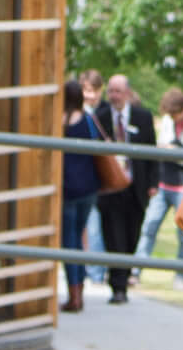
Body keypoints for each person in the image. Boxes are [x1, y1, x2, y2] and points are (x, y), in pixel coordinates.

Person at [94, 74, 156, 306]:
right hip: (110, 189)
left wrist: (153, 183)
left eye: (118, 91)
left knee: (131, 237)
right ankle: (118, 287)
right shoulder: (100, 119)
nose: (114, 96)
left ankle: (124, 275)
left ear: (128, 93)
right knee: (113, 237)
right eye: (111, 91)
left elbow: (152, 152)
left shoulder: (143, 117)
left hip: (136, 188)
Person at [138, 87, 183, 288]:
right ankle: (136, 269)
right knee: (149, 227)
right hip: (163, 183)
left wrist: (175, 151)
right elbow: (162, 145)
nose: (172, 118)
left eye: (174, 114)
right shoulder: (169, 120)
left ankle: (181, 276)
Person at [59, 76, 107, 313]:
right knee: (78, 238)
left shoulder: (60, 123)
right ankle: (79, 292)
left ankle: (74, 294)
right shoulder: (88, 120)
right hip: (89, 188)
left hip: (67, 189)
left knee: (70, 242)